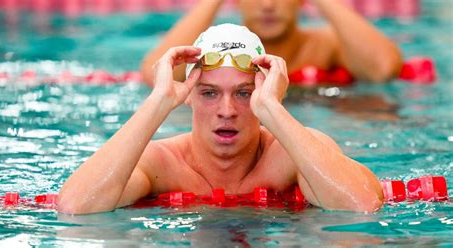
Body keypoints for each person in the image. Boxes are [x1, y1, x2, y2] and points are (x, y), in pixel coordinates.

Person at [58, 24, 383, 215]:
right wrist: (157, 103)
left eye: (243, 93)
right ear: (190, 96)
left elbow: (362, 204)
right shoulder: (160, 163)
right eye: (209, 93)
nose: (226, 110)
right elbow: (75, 207)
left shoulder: (291, 154)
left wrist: (273, 109)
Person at [140, 0, 403, 86]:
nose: (267, 5)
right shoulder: (216, 50)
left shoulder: (325, 45)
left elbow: (383, 70)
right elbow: (155, 76)